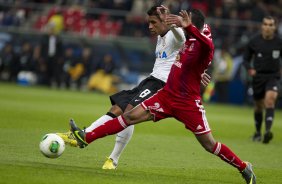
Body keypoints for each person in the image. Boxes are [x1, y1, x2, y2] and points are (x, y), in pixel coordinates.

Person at [69, 9, 256, 184]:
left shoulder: (203, 44)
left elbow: (207, 44)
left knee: (209, 145)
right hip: (166, 96)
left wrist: (187, 27)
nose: (181, 23)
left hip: (187, 103)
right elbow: (180, 40)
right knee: (129, 116)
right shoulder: (186, 38)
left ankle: (243, 167)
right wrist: (175, 24)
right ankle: (87, 137)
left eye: (185, 21)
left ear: (192, 25)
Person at [57, 5, 210, 170]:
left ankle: (110, 157)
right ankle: (83, 135)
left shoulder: (176, 34)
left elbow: (182, 39)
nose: (150, 26)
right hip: (151, 80)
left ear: (165, 22)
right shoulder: (161, 36)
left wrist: (173, 25)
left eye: (153, 22)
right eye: (149, 23)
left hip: (163, 84)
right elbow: (183, 57)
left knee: (128, 111)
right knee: (117, 108)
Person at [243, 16, 282, 144]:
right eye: (265, 24)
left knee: (270, 100)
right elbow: (245, 59)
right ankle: (258, 132)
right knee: (258, 107)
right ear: (262, 26)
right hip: (258, 77)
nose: (268, 27)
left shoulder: (279, 42)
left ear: (274, 27)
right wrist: (250, 69)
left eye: (271, 25)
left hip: (273, 76)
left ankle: (267, 132)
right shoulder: (254, 41)